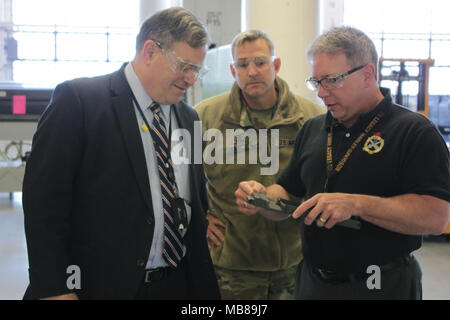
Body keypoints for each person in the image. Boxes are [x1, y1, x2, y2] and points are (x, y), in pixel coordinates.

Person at [235, 26, 450, 300]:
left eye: (332, 80)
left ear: (367, 74)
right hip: (313, 282)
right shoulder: (313, 128)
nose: (322, 93)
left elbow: (435, 217)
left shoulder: (414, 132)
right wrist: (262, 197)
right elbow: (289, 192)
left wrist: (356, 204)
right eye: (316, 82)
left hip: (381, 284)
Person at [22, 7, 220, 300]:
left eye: (197, 70)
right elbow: (44, 206)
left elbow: (188, 196)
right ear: (150, 51)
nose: (191, 79)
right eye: (184, 66)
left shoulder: (188, 118)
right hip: (102, 285)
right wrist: (55, 288)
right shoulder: (79, 102)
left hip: (176, 284)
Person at [195, 29, 322, 299]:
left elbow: (321, 181)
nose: (252, 71)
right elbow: (176, 177)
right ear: (233, 71)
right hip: (233, 265)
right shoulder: (205, 117)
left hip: (294, 261)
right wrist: (198, 217)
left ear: (275, 65)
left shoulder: (309, 118)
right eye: (243, 64)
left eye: (260, 62)